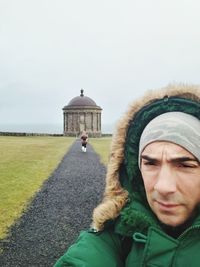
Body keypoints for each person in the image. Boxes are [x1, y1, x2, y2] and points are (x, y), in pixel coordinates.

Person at [54, 84, 200, 267]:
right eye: (150, 163)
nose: (163, 186)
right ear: (135, 171)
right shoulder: (114, 236)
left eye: (185, 165)